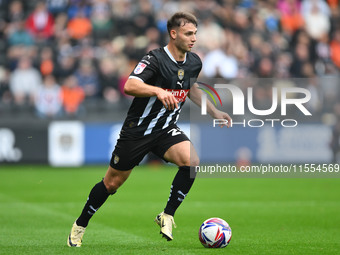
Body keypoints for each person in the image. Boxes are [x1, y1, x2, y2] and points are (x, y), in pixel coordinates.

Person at [67, 12, 231, 247]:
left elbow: (190, 88)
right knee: (111, 184)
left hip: (165, 129)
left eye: (195, 33)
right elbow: (130, 85)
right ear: (173, 34)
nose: (193, 38)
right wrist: (157, 91)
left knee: (191, 162)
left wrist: (214, 111)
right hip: (138, 131)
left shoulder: (194, 62)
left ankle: (167, 214)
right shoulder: (154, 59)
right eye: (188, 33)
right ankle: (80, 225)